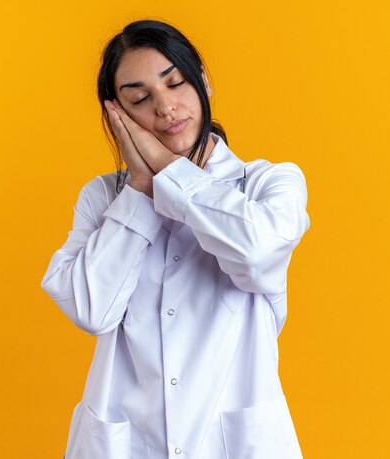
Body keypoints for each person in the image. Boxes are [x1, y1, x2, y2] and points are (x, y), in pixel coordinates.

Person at [41, 19, 311, 459]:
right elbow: (91, 308)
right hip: (129, 444)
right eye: (140, 98)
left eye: (176, 83)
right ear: (118, 114)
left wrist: (169, 173)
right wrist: (141, 192)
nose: (166, 108)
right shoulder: (104, 197)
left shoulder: (268, 183)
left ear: (202, 80)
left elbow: (258, 254)